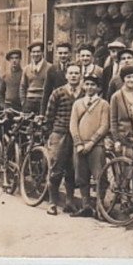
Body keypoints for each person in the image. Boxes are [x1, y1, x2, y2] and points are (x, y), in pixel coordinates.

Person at [69, 73, 110, 218]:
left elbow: (104, 125)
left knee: (99, 176)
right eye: (87, 84)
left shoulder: (104, 104)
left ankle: (100, 207)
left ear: (98, 87)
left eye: (93, 85)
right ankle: (86, 206)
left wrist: (92, 142)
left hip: (96, 146)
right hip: (80, 146)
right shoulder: (77, 104)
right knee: (81, 176)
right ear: (83, 85)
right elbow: (73, 125)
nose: (90, 87)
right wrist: (78, 143)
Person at [43, 63, 82, 216]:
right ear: (66, 75)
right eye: (71, 73)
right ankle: (52, 203)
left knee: (72, 169)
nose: (73, 76)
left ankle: (70, 202)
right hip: (60, 134)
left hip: (76, 135)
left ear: (80, 76)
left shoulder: (84, 94)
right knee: (56, 169)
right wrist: (50, 136)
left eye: (76, 73)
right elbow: (49, 116)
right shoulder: (57, 93)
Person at [109, 66, 133, 156]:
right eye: (129, 77)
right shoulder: (116, 97)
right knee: (127, 166)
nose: (132, 79)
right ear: (123, 79)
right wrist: (116, 140)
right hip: (124, 139)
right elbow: (113, 120)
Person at [19, 41, 50, 114]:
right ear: (30, 54)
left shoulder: (49, 68)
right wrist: (23, 102)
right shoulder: (26, 69)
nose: (36, 54)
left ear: (42, 52)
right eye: (33, 52)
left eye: (38, 52)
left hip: (43, 101)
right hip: (29, 102)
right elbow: (22, 87)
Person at [42, 42, 72, 112]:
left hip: (72, 104)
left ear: (70, 54)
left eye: (65, 53)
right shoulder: (52, 69)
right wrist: (42, 112)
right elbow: (47, 92)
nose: (63, 55)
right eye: (60, 53)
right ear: (56, 54)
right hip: (58, 104)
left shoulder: (75, 67)